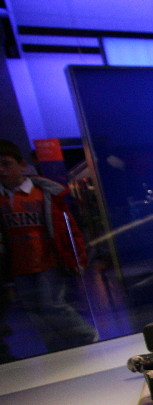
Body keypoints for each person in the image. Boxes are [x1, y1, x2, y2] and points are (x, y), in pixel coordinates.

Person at [0, 139, 97, 353]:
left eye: (6, 163)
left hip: (48, 262)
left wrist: (76, 256)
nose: (2, 170)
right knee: (34, 310)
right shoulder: (3, 199)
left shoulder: (43, 194)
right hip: (19, 266)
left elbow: (67, 228)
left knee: (52, 304)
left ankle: (87, 337)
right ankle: (57, 348)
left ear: (21, 165)